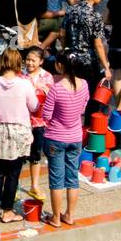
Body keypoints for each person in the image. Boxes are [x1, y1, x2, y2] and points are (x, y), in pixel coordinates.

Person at [0, 48, 37, 223]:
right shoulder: (24, 84)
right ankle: (7, 212)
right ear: (17, 64)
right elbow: (34, 106)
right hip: (19, 131)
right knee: (13, 173)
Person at [40, 52, 90, 226]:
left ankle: (55, 218)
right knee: (72, 178)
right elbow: (83, 107)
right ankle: (69, 215)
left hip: (55, 137)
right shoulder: (84, 84)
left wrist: (47, 95)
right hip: (75, 137)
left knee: (56, 179)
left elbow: (46, 115)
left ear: (60, 66)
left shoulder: (56, 88)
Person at [63, 0, 109, 92]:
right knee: (89, 92)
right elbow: (98, 44)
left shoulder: (70, 10)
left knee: (71, 89)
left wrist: (66, 49)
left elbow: (61, 34)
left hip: (71, 58)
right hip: (87, 61)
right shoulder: (95, 16)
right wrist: (105, 67)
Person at [22, 46, 54, 200]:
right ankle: (13, 186)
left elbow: (52, 95)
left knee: (36, 154)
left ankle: (34, 185)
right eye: (28, 59)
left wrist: (45, 89)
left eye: (33, 60)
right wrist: (34, 87)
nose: (29, 63)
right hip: (22, 121)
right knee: (19, 155)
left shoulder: (47, 76)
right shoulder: (21, 75)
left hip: (40, 122)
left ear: (41, 61)